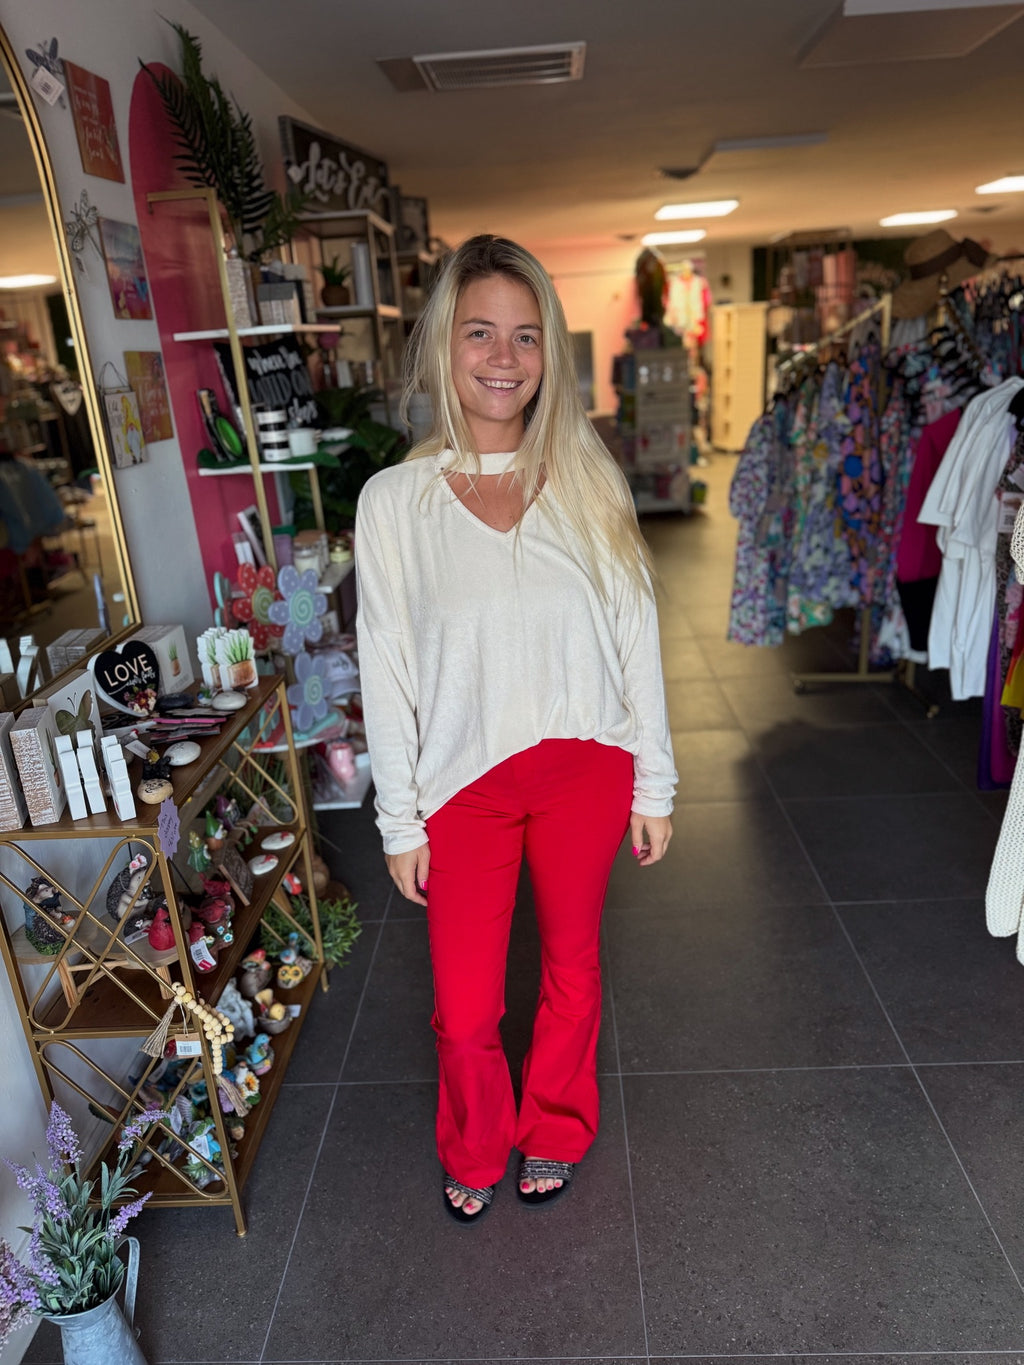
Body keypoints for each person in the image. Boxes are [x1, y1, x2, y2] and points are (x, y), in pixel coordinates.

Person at [355, 234, 676, 1224]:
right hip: (463, 785)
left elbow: (636, 639)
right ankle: (476, 1142)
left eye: (526, 336)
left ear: (551, 355)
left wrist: (653, 784)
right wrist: (398, 820)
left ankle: (554, 1129)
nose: (503, 358)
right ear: (444, 349)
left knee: (573, 968)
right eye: (480, 332)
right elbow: (385, 664)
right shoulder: (395, 503)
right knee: (464, 1007)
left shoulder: (590, 482)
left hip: (586, 764)